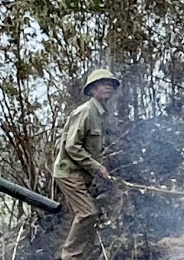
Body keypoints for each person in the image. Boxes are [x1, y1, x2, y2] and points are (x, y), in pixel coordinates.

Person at [52, 69, 120, 260]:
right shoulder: (85, 112)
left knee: (87, 216)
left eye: (111, 84)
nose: (108, 87)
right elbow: (72, 146)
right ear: (92, 90)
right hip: (69, 172)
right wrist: (96, 166)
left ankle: (83, 257)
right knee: (87, 213)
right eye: (102, 83)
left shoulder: (99, 113)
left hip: (80, 173)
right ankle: (70, 256)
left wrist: (98, 167)